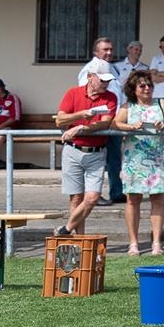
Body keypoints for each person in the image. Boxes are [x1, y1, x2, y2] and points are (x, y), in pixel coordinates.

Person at [113, 69, 164, 256]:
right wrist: (131, 126)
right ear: (134, 88)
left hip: (157, 157)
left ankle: (156, 242)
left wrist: (163, 125)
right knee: (133, 199)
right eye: (142, 85)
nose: (147, 88)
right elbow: (115, 123)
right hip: (135, 159)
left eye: (149, 84)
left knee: (157, 198)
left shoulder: (161, 103)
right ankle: (134, 243)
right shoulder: (128, 106)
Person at [53, 58, 118, 236]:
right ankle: (79, 241)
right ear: (90, 77)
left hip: (96, 152)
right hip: (72, 149)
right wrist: (82, 115)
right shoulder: (73, 93)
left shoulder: (111, 97)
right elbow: (60, 119)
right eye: (102, 79)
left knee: (92, 197)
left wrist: (81, 127)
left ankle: (66, 229)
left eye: (108, 80)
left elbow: (105, 123)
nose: (106, 83)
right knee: (75, 198)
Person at [78, 37, 125, 205]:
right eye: (105, 49)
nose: (109, 52)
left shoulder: (113, 69)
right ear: (95, 52)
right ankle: (93, 195)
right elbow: (88, 94)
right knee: (95, 159)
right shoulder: (89, 70)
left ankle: (117, 192)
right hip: (98, 122)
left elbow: (119, 96)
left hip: (114, 121)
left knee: (114, 159)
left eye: (111, 49)